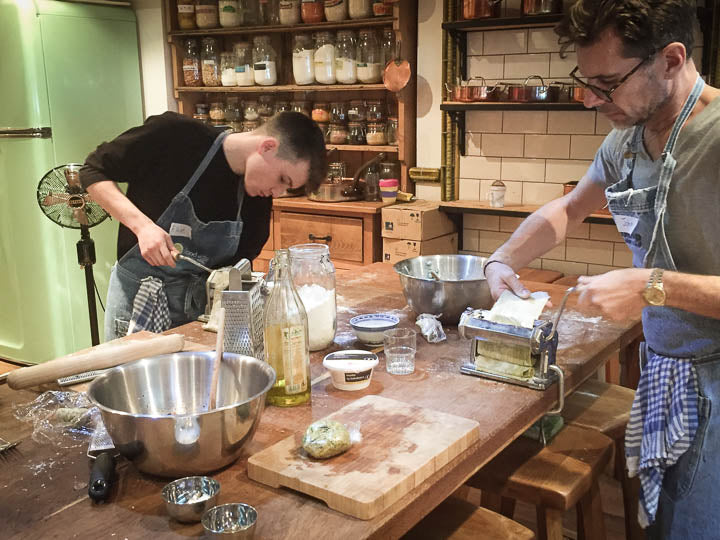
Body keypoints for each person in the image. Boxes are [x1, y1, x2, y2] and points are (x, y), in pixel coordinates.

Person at [481, 0, 720, 537]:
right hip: (668, 370)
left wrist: (651, 285)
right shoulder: (626, 140)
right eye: (585, 82)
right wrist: (501, 259)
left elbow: (656, 285)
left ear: (671, 59)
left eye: (607, 83)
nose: (592, 100)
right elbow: (567, 210)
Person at [80, 111, 327, 340]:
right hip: (137, 303)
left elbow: (239, 269)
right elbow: (93, 171)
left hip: (200, 316)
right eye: (283, 179)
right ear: (267, 147)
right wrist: (142, 226)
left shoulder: (257, 201)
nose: (279, 192)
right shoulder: (176, 136)